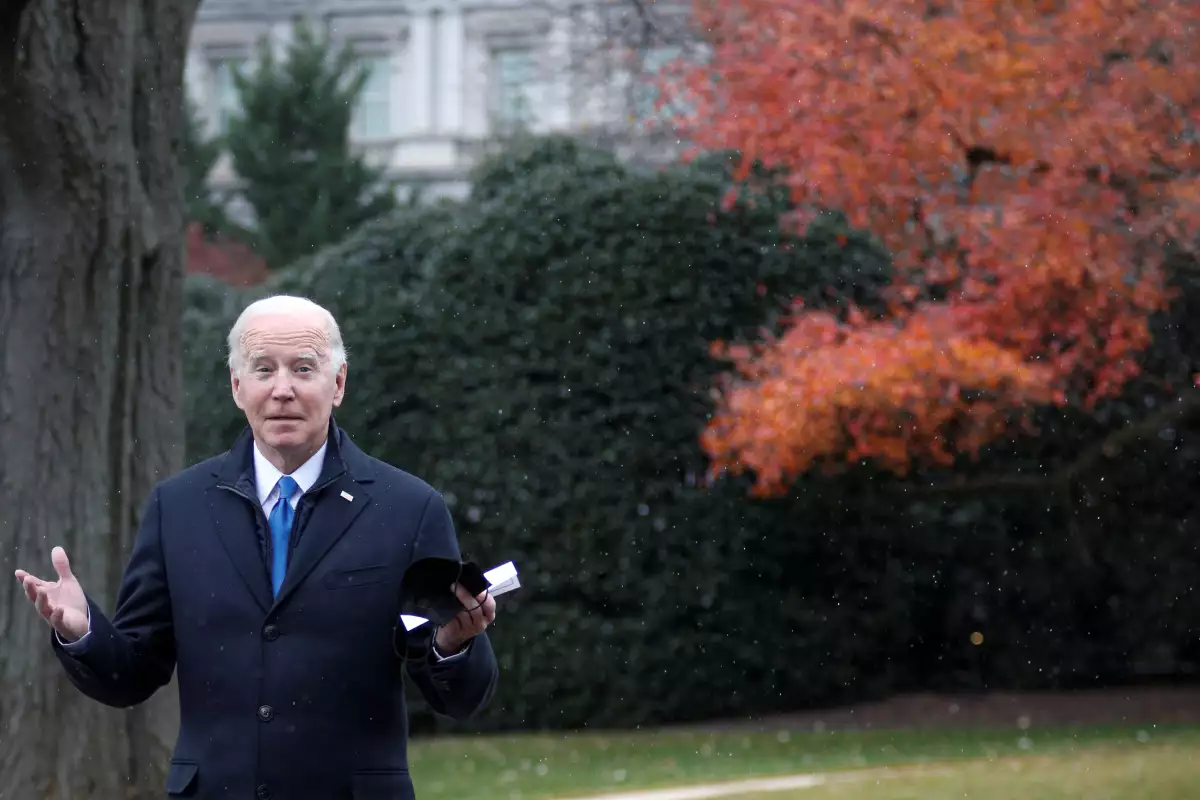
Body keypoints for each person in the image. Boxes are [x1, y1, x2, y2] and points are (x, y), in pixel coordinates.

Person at [14, 295, 499, 799]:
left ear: (338, 384)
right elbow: (133, 673)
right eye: (263, 369)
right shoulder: (177, 507)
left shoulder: (409, 508)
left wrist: (452, 645)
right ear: (236, 386)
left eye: (304, 369)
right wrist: (83, 631)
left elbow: (461, 699)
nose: (282, 390)